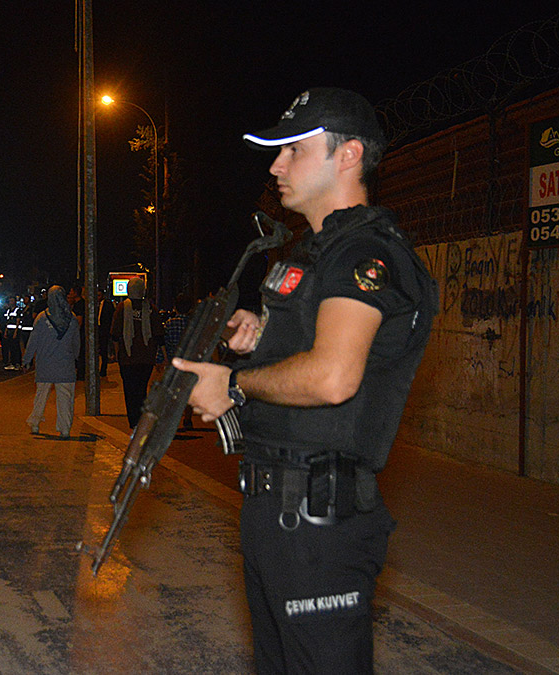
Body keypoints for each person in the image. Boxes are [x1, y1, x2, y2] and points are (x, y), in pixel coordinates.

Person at [173, 87, 438, 673]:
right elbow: (304, 347)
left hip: (321, 528)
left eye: (293, 149)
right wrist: (256, 337)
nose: (276, 165)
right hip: (276, 514)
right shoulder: (311, 255)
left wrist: (235, 387)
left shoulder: (366, 254)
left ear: (348, 156)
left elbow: (334, 376)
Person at [21, 285, 80, 438]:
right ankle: (64, 428)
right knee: (65, 398)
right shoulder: (72, 319)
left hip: (45, 364)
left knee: (41, 396)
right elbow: (76, 343)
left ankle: (35, 423)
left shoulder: (41, 318)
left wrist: (26, 360)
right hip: (65, 365)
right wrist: (75, 357)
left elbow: (33, 342)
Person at [110, 276, 164, 428]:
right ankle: (141, 419)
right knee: (141, 390)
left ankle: (133, 421)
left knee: (130, 390)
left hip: (127, 358)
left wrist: (117, 354)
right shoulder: (150, 308)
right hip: (146, 357)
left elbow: (115, 334)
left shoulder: (122, 307)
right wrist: (162, 357)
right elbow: (159, 335)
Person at [162, 293, 196, 428]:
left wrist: (162, 359)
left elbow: (165, 343)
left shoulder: (170, 324)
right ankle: (187, 419)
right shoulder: (194, 324)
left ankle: (172, 421)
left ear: (175, 307)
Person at [0, 296, 23, 370]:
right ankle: (12, 363)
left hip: (15, 331)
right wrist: (5, 332)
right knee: (11, 347)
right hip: (9, 331)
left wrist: (16, 332)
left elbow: (18, 322)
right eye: (10, 301)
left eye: (12, 301)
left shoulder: (18, 310)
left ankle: (18, 363)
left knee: (16, 347)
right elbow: (7, 322)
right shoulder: (8, 311)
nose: (11, 302)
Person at [97, 289, 115, 376]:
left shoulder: (108, 304)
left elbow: (112, 316)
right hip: (97, 329)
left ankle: (103, 369)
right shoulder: (95, 305)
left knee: (104, 349)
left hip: (104, 329)